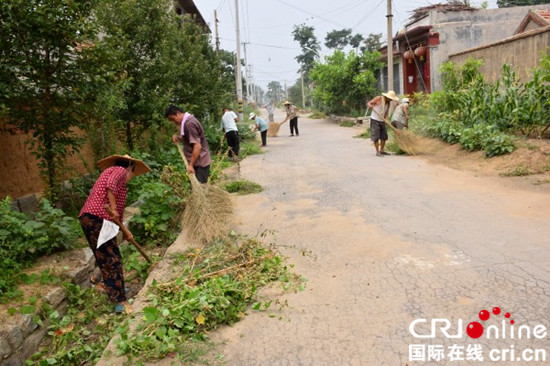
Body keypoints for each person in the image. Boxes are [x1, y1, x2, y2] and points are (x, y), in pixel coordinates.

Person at [79, 154, 150, 313]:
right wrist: (113, 208)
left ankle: (116, 290)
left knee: (105, 257)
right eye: (133, 171)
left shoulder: (120, 186)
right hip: (96, 218)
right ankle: (120, 301)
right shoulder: (118, 170)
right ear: (130, 167)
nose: (132, 176)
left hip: (89, 218)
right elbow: (111, 190)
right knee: (112, 258)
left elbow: (118, 217)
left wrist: (126, 232)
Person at [165, 105, 212, 183]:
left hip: (200, 163)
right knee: (199, 188)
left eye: (173, 119)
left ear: (178, 113)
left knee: (200, 190)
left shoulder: (189, 124)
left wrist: (190, 165)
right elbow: (189, 139)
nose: (174, 122)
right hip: (199, 162)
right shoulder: (187, 122)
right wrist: (178, 137)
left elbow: (197, 146)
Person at [367, 90, 399, 157]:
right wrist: (370, 105)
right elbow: (369, 103)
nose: (391, 100)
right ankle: (377, 151)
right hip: (375, 120)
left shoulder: (388, 103)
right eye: (390, 98)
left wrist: (387, 120)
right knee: (376, 136)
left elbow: (386, 113)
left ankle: (382, 150)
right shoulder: (379, 98)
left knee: (384, 136)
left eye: (392, 99)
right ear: (387, 97)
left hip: (382, 120)